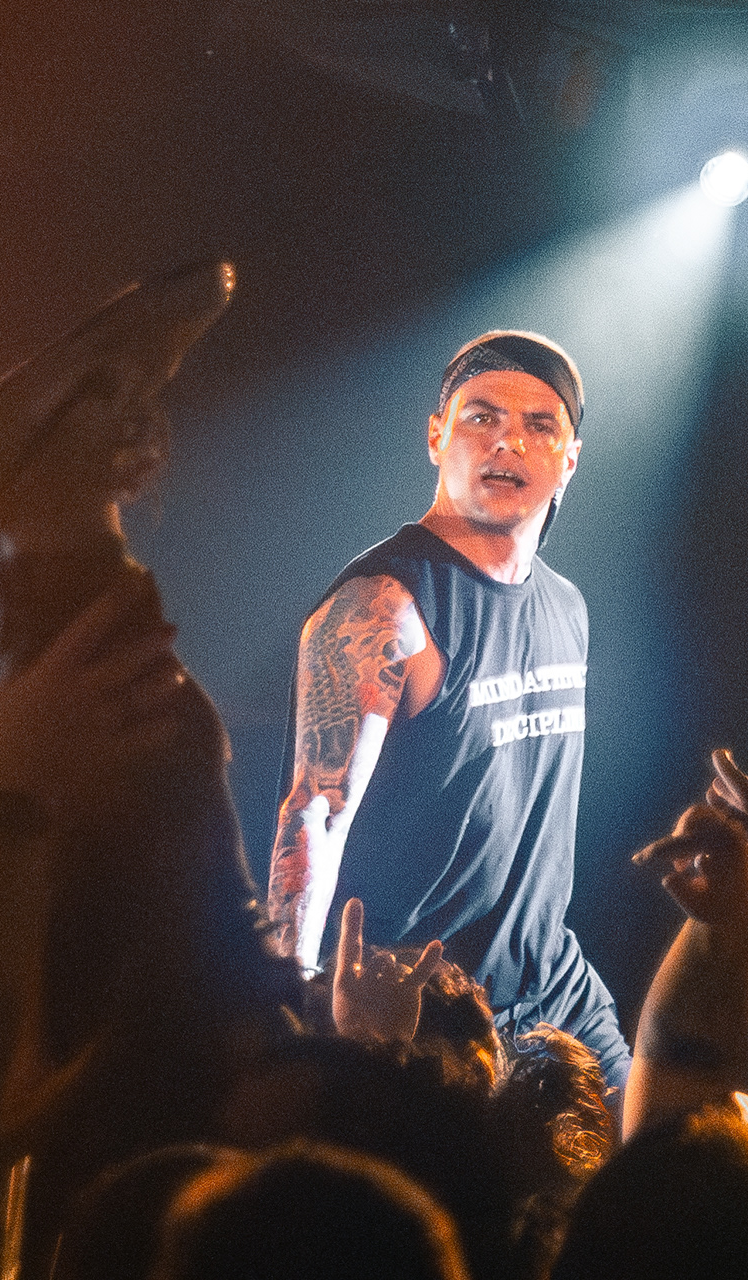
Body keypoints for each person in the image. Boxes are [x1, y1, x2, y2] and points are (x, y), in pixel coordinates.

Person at [266, 331, 630, 1088]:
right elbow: (315, 813)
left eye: (539, 425)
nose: (507, 442)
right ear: (436, 435)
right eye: (481, 417)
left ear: (569, 460)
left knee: (685, 1149)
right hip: (433, 1014)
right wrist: (285, 1007)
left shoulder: (567, 607)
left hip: (557, 994)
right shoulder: (384, 608)